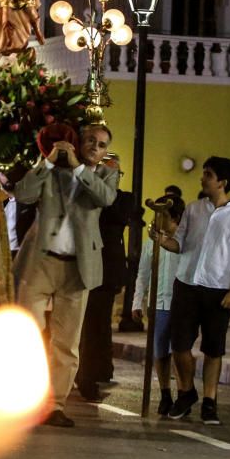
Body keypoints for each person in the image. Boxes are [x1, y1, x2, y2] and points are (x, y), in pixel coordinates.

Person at [12, 123, 118, 427]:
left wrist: (77, 169)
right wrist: (47, 159)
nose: (95, 148)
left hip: (77, 267)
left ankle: (54, 405)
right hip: (41, 261)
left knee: (66, 343)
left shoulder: (105, 174)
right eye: (90, 141)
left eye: (101, 144)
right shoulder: (51, 171)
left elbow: (105, 199)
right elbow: (24, 194)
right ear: (77, 141)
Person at [153, 157, 230, 426]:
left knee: (213, 349)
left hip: (218, 289)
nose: (202, 178)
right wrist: (162, 241)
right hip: (186, 284)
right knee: (180, 346)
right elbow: (180, 243)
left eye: (208, 174)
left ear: (222, 182)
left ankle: (210, 401)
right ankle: (187, 392)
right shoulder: (194, 209)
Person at [76, 153, 136, 401]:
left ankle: (100, 368)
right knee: (86, 323)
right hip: (87, 263)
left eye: (116, 174)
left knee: (100, 322)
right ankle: (86, 372)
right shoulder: (88, 197)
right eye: (107, 172)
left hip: (108, 268)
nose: (113, 178)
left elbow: (117, 215)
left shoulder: (123, 199)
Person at [132, 194, 186, 416]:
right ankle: (165, 393)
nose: (158, 220)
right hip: (159, 303)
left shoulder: (184, 242)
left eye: (163, 215)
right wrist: (138, 301)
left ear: (175, 218)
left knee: (181, 352)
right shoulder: (149, 243)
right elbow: (143, 274)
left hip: (181, 303)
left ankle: (184, 392)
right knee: (160, 352)